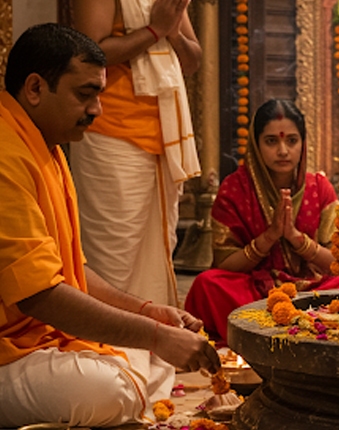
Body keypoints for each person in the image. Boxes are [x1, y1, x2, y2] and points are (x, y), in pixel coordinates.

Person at [0, 24, 219, 428]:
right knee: (111, 389)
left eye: (99, 95)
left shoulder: (45, 145)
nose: (97, 110)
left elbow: (71, 270)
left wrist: (150, 314)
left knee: (148, 361)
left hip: (37, 340)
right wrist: (156, 336)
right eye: (85, 94)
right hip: (6, 351)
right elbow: (40, 297)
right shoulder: (5, 154)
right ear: (34, 88)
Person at [68, 0, 202, 306]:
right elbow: (90, 53)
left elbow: (193, 60)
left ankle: (150, 333)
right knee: (113, 260)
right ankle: (109, 335)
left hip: (164, 136)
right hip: (111, 133)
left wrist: (172, 32)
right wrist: (155, 30)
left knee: (157, 256)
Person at [185, 99, 339, 343]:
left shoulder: (319, 188)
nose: (283, 151)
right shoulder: (235, 189)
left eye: (291, 141)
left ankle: (265, 333)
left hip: (312, 291)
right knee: (207, 284)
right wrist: (269, 237)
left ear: (303, 144)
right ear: (256, 144)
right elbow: (224, 265)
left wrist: (297, 239)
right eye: (272, 141)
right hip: (254, 293)